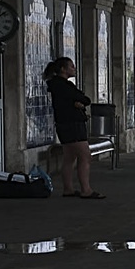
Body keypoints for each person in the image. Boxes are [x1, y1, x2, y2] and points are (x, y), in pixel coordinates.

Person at [44, 57, 103, 199]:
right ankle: (86, 190)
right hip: (72, 124)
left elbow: (82, 100)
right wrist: (78, 103)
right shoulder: (63, 85)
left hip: (64, 124)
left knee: (69, 157)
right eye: (71, 66)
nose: (74, 68)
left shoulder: (58, 85)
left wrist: (79, 102)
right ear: (63, 69)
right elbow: (83, 99)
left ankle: (68, 188)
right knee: (85, 156)